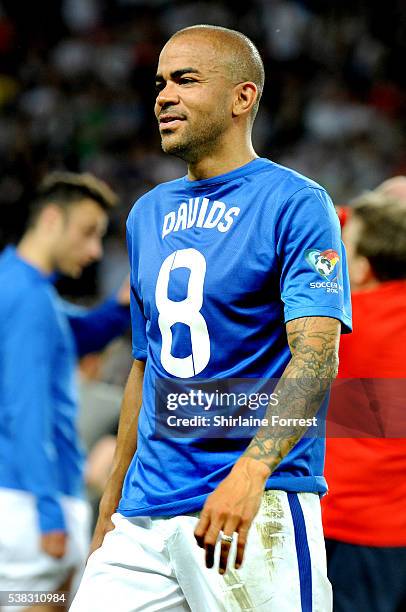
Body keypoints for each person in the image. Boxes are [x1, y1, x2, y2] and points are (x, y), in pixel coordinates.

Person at [71, 25, 352, 612]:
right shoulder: (146, 213)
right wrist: (111, 503)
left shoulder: (296, 203)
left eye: (185, 80)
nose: (163, 96)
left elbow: (317, 354)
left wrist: (253, 473)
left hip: (255, 504)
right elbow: (144, 368)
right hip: (145, 517)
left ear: (242, 97)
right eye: (159, 83)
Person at [0, 172, 131, 612]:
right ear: (52, 219)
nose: (95, 250)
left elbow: (75, 332)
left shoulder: (17, 287)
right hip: (30, 503)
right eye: (88, 232)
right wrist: (50, 513)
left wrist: (120, 309)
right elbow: (27, 411)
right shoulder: (30, 301)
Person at [322, 178, 406, 612]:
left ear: (363, 266)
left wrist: (349, 210)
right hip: (393, 537)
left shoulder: (344, 325)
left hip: (339, 530)